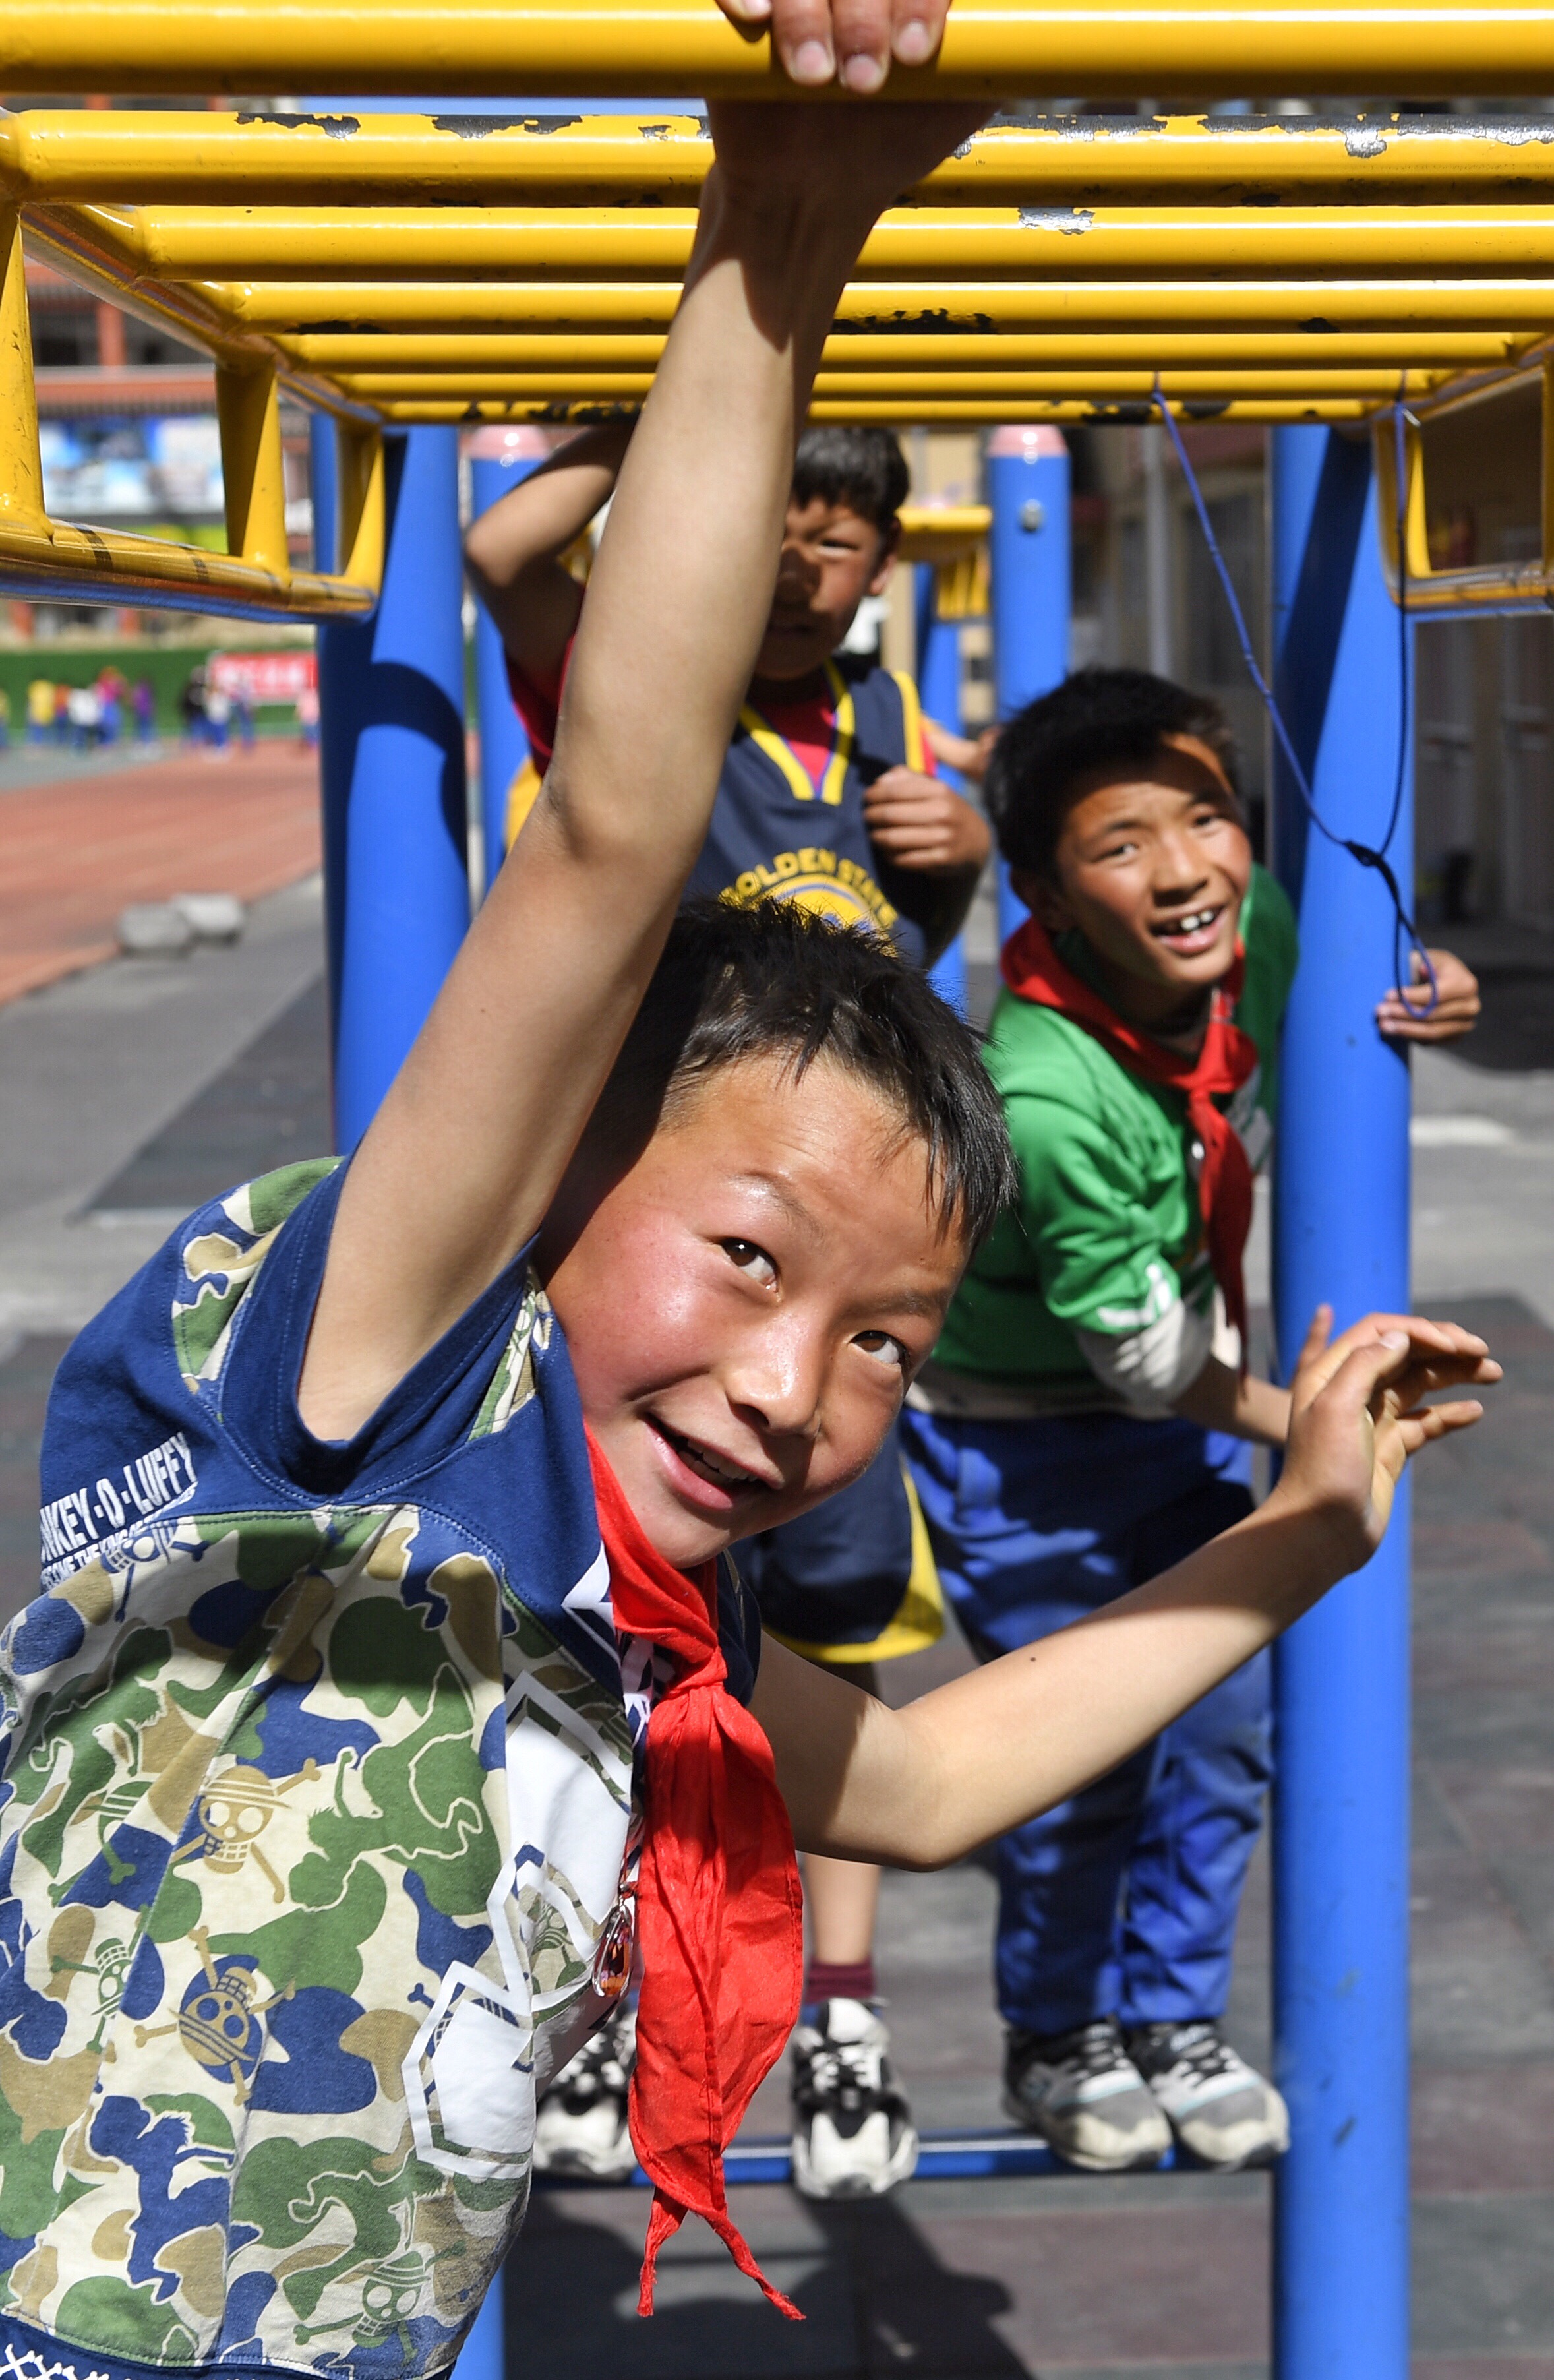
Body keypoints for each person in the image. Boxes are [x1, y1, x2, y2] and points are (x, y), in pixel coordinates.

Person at [0, 90, 1494, 2380]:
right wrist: (774, 236)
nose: (803, 1384)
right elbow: (612, 827)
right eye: (751, 1258)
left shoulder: (610, 1610)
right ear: (549, 1187)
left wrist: (1301, 1526)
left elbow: (920, 1777)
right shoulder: (369, 1407)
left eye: (890, 1334)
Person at [467, 418, 990, 2197]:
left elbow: (929, 992)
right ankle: (602, 1994)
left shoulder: (900, 736)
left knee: (831, 1651)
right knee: (607, 1652)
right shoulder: (653, 697)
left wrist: (964, 853)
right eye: (767, 519)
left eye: (834, 536)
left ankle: (838, 2019)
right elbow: (505, 568)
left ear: (873, 563)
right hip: (682, 1245)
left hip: (825, 1261)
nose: (794, 561)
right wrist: (657, 425)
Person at [901, 666, 1481, 2177]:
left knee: (1223, 1731)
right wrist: (1311, 1422)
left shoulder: (1259, 927)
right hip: (1023, 1440)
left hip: (1170, 1419)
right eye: (1118, 845)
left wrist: (1421, 983)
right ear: (1039, 889)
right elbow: (1143, 1357)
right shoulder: (1039, 1089)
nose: (1180, 871)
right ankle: (1053, 2034)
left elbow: (1347, 994)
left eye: (1206, 819)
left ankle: (1168, 2016)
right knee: (1078, 1761)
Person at [26, 677, 53, 745]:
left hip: (36, 711)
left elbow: (30, 699)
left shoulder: (34, 686)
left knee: (35, 729)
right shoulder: (48, 686)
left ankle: (35, 743)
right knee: (41, 729)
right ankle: (40, 743)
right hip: (45, 711)